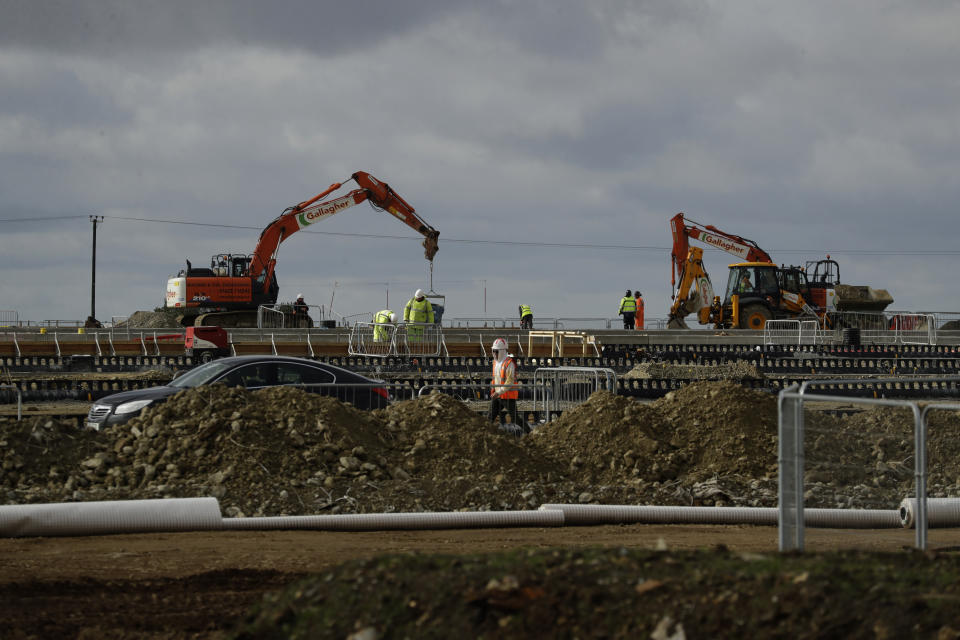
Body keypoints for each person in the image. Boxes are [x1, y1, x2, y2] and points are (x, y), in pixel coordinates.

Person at [489, 338, 521, 433]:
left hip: (508, 396)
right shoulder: (495, 363)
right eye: (493, 351)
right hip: (498, 396)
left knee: (515, 419)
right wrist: (493, 391)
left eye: (496, 351)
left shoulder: (509, 364)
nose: (494, 353)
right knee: (489, 417)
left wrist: (498, 392)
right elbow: (495, 379)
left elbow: (509, 382)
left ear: (502, 351)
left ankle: (530, 433)